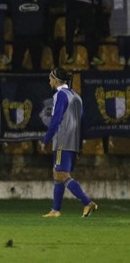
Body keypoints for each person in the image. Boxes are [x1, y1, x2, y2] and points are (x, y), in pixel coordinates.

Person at [40, 68, 98, 218]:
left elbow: (56, 119)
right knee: (57, 173)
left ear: (56, 80)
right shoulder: (76, 96)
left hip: (62, 140)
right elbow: (82, 122)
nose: (49, 81)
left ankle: (87, 202)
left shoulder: (60, 95)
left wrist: (46, 139)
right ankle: (55, 210)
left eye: (50, 78)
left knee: (62, 174)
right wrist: (79, 146)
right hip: (73, 141)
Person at [64, 0, 104, 66]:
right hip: (73, 4)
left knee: (90, 31)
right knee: (70, 30)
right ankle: (69, 54)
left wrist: (95, 1)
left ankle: (93, 55)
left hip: (87, 4)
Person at [103, 0, 130, 67]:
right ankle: (122, 56)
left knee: (127, 35)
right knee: (121, 34)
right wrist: (107, 3)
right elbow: (107, 0)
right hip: (118, 10)